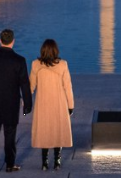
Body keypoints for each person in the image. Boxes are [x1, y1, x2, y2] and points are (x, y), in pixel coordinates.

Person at [0, 29, 32, 173]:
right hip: (11, 103)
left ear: (0, 41)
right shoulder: (19, 60)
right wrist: (28, 104)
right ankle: (10, 164)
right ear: (13, 41)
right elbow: (24, 84)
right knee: (10, 135)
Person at [29, 39, 74, 171]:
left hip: (42, 104)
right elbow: (68, 87)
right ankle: (57, 161)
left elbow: (31, 86)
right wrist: (70, 105)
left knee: (45, 132)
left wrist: (25, 102)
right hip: (59, 104)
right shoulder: (63, 64)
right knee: (57, 131)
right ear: (56, 50)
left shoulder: (36, 64)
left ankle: (44, 162)